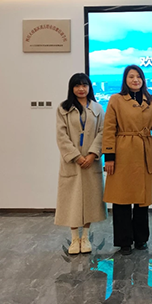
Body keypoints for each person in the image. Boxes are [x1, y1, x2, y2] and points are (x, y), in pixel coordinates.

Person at [102, 65, 152, 255]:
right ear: (125, 80)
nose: (135, 80)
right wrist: (109, 156)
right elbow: (109, 128)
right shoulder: (116, 100)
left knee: (142, 200)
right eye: (131, 76)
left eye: (138, 76)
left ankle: (141, 239)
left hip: (145, 151)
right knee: (122, 198)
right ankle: (124, 241)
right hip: (123, 151)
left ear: (143, 79)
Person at [55, 73, 106, 255]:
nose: (81, 89)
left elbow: (102, 133)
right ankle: (74, 238)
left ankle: (85, 237)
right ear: (72, 88)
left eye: (84, 85)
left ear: (89, 87)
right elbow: (61, 136)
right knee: (72, 199)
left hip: (91, 162)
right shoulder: (63, 108)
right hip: (72, 163)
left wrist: (92, 154)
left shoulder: (97, 108)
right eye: (77, 85)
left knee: (90, 199)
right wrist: (76, 156)